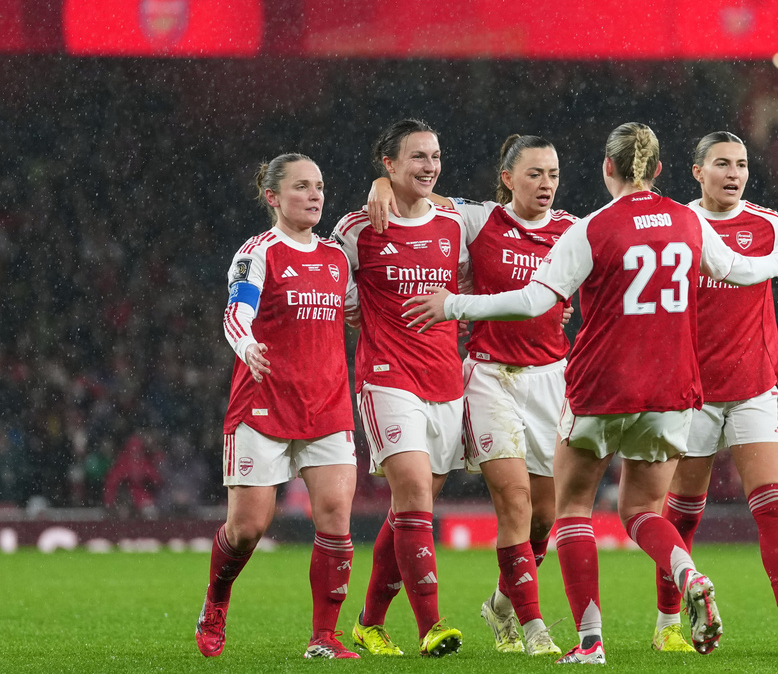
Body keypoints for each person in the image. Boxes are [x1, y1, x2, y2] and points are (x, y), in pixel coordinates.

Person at [404, 122, 778, 663]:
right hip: (671, 392)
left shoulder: (591, 229)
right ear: (662, 170)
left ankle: (590, 641)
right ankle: (688, 571)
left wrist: (453, 305)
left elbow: (531, 301)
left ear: (606, 169)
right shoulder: (688, 221)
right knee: (642, 510)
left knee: (572, 510)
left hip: (602, 387)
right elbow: (739, 271)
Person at [367, 134, 572, 657]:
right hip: (488, 377)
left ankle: (502, 604)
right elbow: (415, 197)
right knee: (515, 501)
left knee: (546, 516)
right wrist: (377, 182)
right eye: (533, 174)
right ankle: (532, 628)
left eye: (551, 173)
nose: (545, 184)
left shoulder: (573, 232)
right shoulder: (477, 220)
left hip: (551, 377)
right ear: (507, 179)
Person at [647, 131, 778, 656]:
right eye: (721, 164)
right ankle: (667, 624)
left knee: (773, 505)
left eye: (741, 164)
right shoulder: (678, 226)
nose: (733, 174)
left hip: (755, 387)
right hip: (693, 394)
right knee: (683, 514)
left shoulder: (767, 224)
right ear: (696, 171)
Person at [195, 153, 362, 660]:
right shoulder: (259, 251)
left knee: (335, 518)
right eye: (301, 187)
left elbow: (359, 313)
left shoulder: (336, 258)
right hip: (263, 405)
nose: (315, 196)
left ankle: (324, 639)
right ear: (272, 197)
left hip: (327, 405)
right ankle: (215, 602)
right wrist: (246, 346)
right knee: (248, 529)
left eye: (320, 186)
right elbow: (237, 310)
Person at [332, 119, 468, 658]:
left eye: (435, 156)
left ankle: (368, 622)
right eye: (417, 157)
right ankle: (431, 626)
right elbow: (334, 290)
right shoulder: (356, 228)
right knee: (412, 495)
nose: (429, 166)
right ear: (387, 165)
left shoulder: (457, 222)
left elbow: (479, 273)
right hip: (387, 377)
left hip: (446, 379)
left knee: (410, 508)